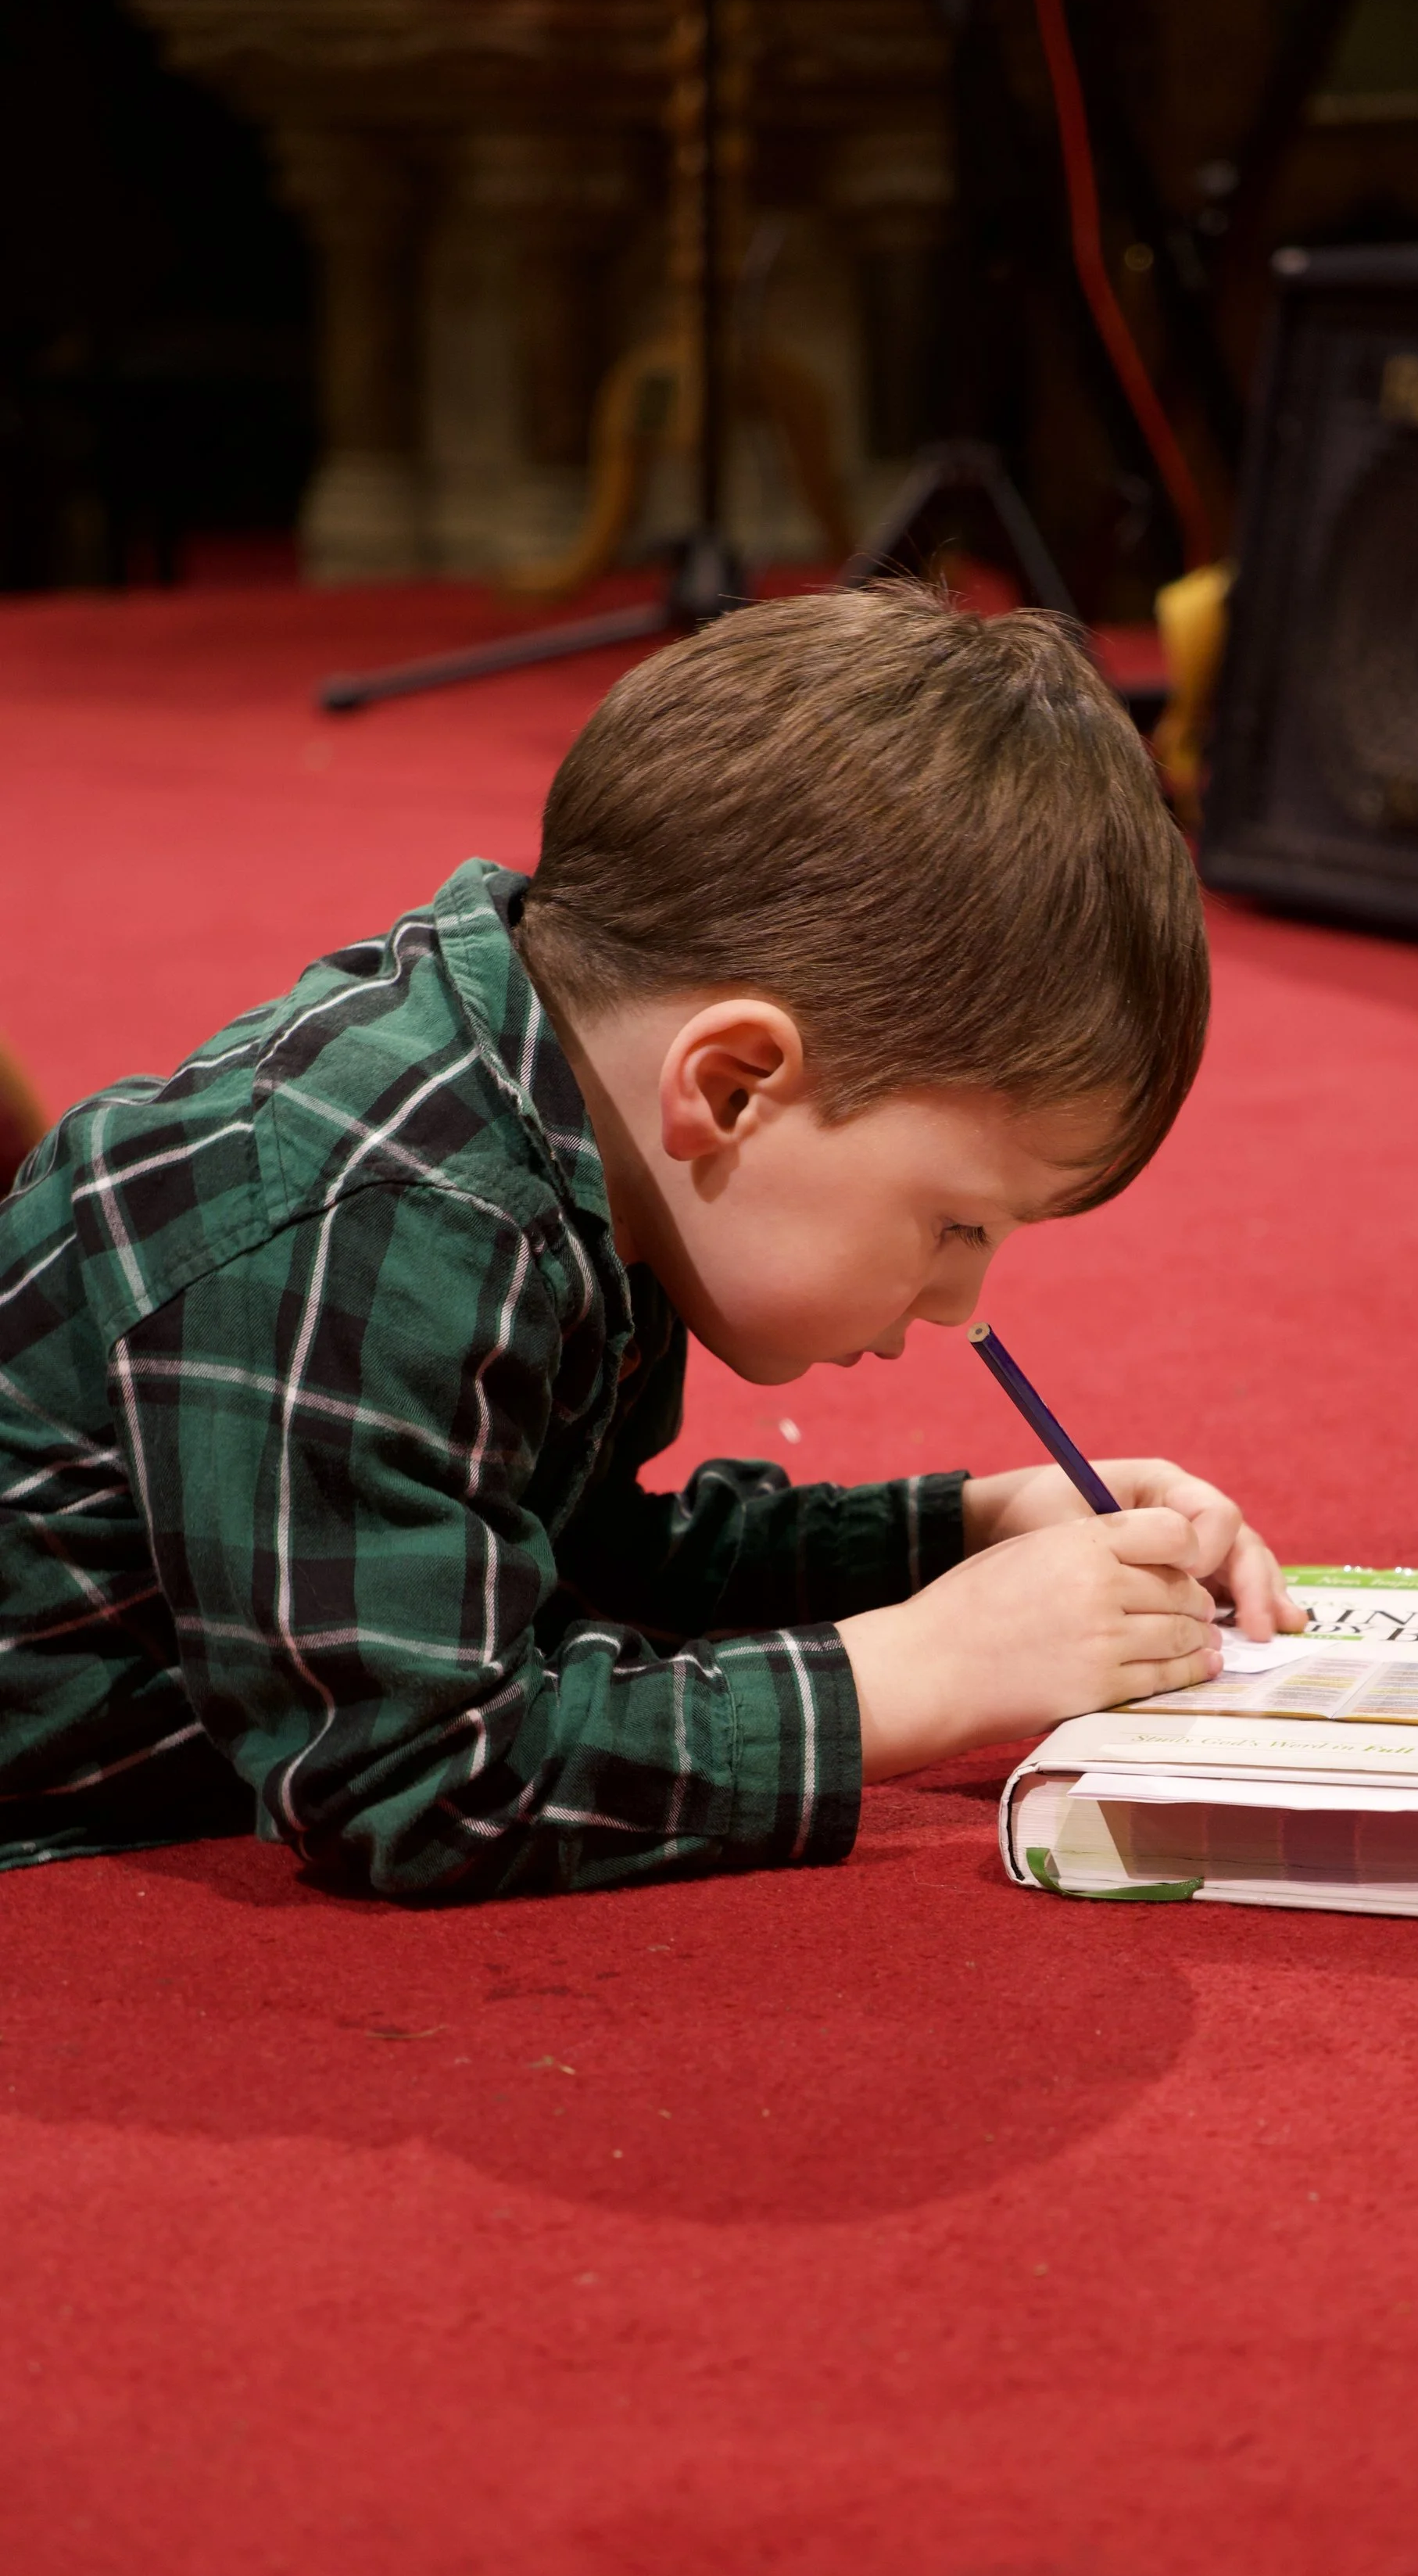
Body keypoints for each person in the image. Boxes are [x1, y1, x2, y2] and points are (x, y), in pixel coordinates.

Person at [0, 584, 1300, 1898]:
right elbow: (423, 1772)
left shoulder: (574, 1126)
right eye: (959, 1222)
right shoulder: (384, 1210)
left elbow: (558, 1560)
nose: (966, 1301)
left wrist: (966, 1533)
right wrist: (920, 1675)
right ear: (732, 1083)